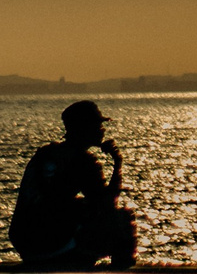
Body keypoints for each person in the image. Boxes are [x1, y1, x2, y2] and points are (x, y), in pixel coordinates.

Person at [10, 101, 136, 269]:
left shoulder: (45, 153)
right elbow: (108, 205)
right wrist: (117, 164)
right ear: (84, 128)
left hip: (24, 243)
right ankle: (119, 269)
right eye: (97, 125)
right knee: (122, 218)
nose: (102, 130)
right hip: (50, 245)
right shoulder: (82, 161)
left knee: (82, 208)